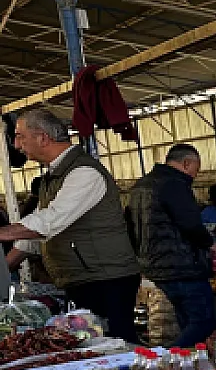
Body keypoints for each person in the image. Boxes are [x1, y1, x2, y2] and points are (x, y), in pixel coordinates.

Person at [0, 107, 142, 340]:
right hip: (82, 277)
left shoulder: (84, 172)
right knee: (86, 342)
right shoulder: (53, 177)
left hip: (106, 278)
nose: (16, 145)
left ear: (43, 138)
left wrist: (3, 233)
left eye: (20, 136)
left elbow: (50, 220)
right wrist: (5, 267)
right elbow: (33, 238)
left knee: (113, 343)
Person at [129, 143, 216, 347]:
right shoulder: (173, 184)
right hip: (181, 266)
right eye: (195, 171)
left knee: (186, 320)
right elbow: (190, 224)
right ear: (186, 163)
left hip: (154, 266)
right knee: (203, 321)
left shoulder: (141, 186)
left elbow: (130, 227)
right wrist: (209, 244)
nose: (194, 176)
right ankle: (168, 359)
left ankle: (186, 368)